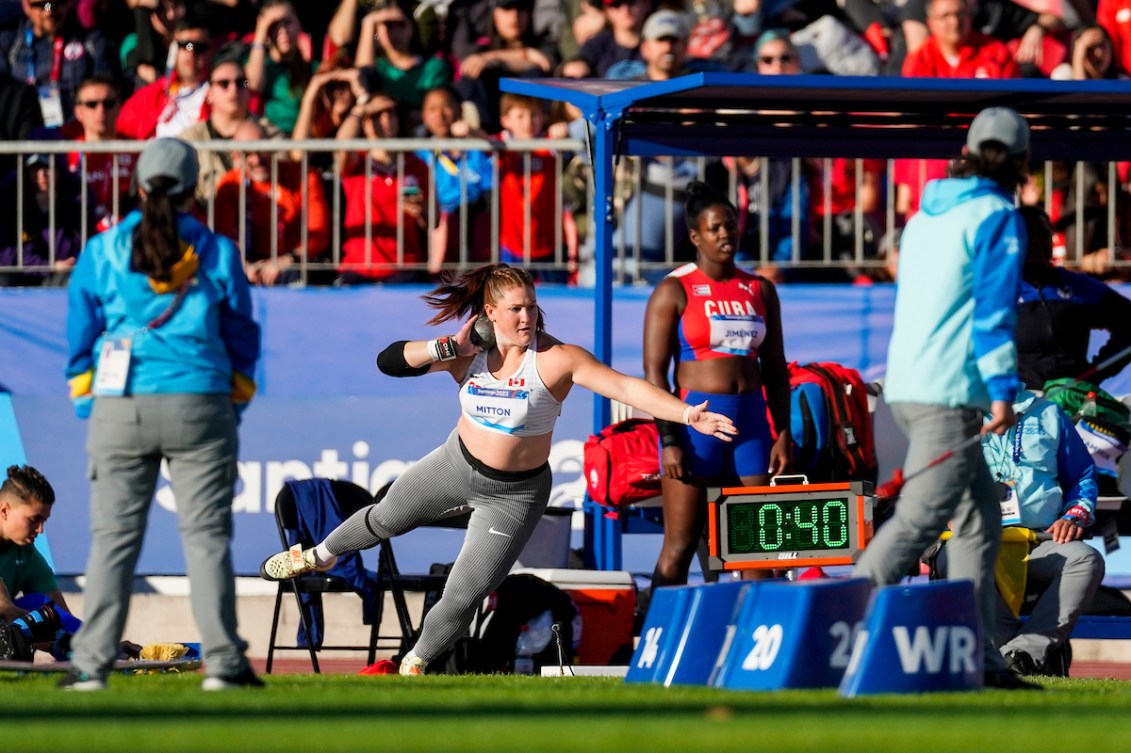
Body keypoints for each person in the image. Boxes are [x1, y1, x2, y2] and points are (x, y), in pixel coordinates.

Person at [259, 262, 738, 676]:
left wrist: (685, 413)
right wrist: (445, 347)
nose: (527, 316)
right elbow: (389, 362)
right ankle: (318, 555)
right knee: (385, 517)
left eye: (531, 306)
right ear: (490, 313)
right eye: (516, 309)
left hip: (515, 493)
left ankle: (413, 665)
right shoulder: (467, 354)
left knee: (463, 594)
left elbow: (626, 388)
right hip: (455, 464)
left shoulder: (556, 359)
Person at [62, 137, 262, 691]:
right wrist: (234, 396)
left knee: (113, 542)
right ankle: (223, 665)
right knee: (206, 540)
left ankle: (90, 666)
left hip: (119, 405)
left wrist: (87, 402)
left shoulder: (103, 250)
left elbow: (79, 338)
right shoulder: (217, 250)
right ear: (194, 189)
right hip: (201, 402)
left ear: (139, 184)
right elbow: (243, 334)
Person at [852, 107, 1034, 690]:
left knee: (979, 520)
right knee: (922, 516)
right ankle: (838, 625)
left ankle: (983, 661)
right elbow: (993, 313)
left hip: (909, 384)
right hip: (948, 391)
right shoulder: (998, 216)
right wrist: (1002, 392)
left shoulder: (928, 212)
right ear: (1023, 160)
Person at [642, 181, 792, 590]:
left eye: (730, 225)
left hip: (751, 428)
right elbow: (654, 375)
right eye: (714, 228)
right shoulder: (674, 289)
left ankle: (753, 639)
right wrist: (670, 437)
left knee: (756, 547)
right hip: (695, 427)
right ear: (695, 236)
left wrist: (782, 432)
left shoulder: (760, 288)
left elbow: (776, 369)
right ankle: (655, 638)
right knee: (681, 543)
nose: (725, 233)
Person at [970, 389, 1105, 677]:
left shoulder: (1049, 412)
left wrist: (1075, 515)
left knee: (1085, 559)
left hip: (1040, 541)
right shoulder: (953, 416)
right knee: (957, 560)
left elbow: (1082, 475)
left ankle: (1021, 653)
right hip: (978, 542)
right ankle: (1014, 658)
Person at [1014, 205, 1131, 393]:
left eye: (1043, 235)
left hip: (1072, 401)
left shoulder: (1078, 286)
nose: (1037, 243)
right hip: (1016, 405)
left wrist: (1094, 374)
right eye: (1029, 235)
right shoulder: (997, 291)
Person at [213, 119, 329, 286]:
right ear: (235, 156)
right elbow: (224, 235)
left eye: (262, 150)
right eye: (248, 153)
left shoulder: (304, 177)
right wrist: (242, 264)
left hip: (295, 260)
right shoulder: (230, 184)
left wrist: (290, 259)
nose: (257, 159)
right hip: (250, 262)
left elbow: (318, 232)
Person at [335, 92, 433, 284]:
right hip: (358, 268)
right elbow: (342, 143)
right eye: (377, 114)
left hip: (405, 268)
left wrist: (421, 212)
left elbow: (433, 220)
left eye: (391, 113)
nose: (386, 119)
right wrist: (362, 109)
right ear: (365, 122)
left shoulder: (417, 165)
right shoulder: (357, 161)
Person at [0, 0, 116, 126]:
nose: (49, 11)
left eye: (56, 3)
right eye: (41, 5)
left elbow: (107, 91)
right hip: (27, 132)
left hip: (77, 132)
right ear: (26, 6)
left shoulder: (90, 40)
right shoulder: (10, 43)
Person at [116, 17, 214, 140]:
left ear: (211, 50)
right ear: (172, 49)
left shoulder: (225, 91)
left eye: (199, 47)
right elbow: (118, 131)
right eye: (185, 45)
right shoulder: (152, 95)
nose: (191, 53)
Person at [66, 75, 136, 234]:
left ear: (119, 106)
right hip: (81, 238)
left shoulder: (135, 150)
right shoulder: (66, 153)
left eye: (108, 103)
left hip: (126, 237)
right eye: (92, 104)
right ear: (78, 112)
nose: (101, 110)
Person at [244, 0, 312, 135]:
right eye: (274, 25)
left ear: (299, 23)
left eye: (287, 22)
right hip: (268, 140)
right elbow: (254, 84)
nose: (283, 31)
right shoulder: (257, 65)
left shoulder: (312, 68)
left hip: (303, 142)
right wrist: (261, 35)